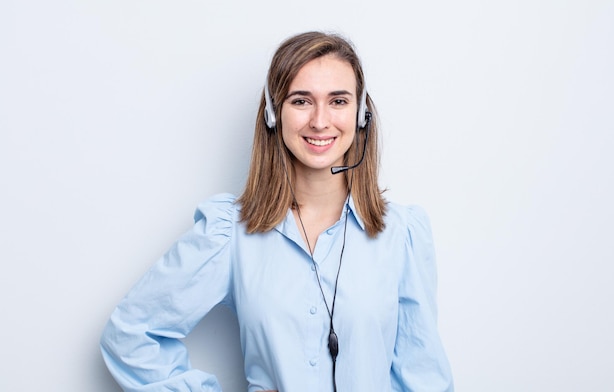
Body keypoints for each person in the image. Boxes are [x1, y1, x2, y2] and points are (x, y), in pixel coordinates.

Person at [100, 31, 454, 392]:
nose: (320, 121)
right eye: (301, 101)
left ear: (361, 114)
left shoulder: (401, 234)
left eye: (338, 101)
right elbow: (130, 334)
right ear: (273, 114)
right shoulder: (230, 233)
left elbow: (423, 378)